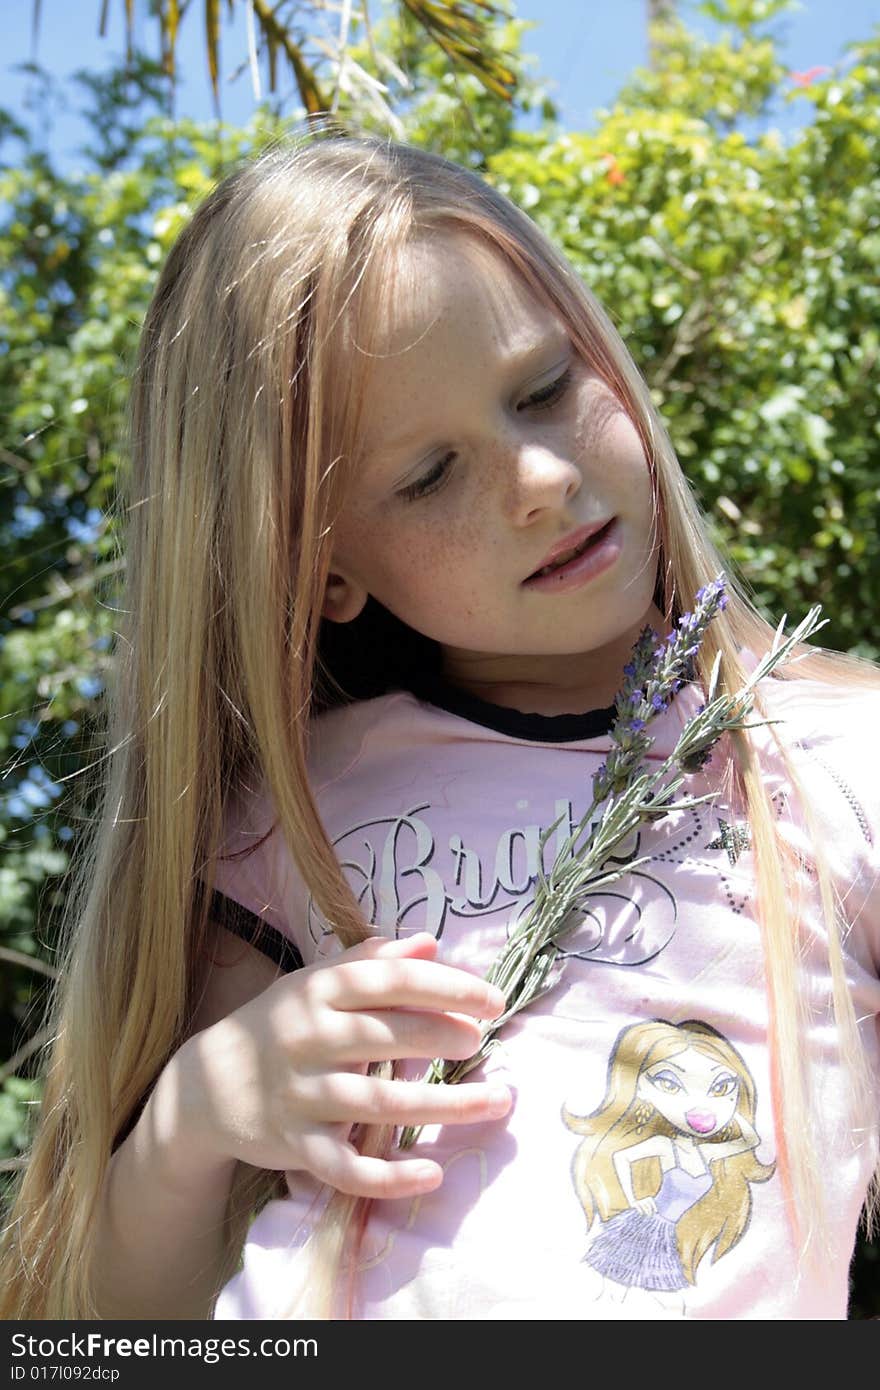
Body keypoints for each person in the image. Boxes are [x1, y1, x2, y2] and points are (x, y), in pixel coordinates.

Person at [1, 131, 878, 1322]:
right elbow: (96, 1320)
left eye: (543, 388)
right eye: (427, 477)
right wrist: (194, 1119)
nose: (538, 480)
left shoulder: (834, 754)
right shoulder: (301, 815)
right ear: (322, 574)